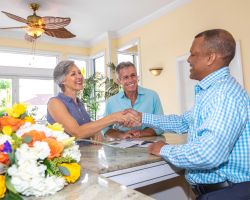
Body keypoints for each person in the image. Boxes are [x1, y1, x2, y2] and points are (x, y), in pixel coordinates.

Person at [124, 29, 250, 200]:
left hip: (226, 193)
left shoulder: (224, 95)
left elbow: (209, 154)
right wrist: (142, 117)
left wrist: (165, 149)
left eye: (193, 54)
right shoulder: (211, 92)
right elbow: (182, 122)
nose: (188, 59)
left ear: (210, 57)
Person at [47, 60, 136, 140]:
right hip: (68, 157)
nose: (79, 76)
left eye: (79, 73)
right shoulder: (55, 103)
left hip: (86, 155)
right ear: (62, 81)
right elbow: (77, 133)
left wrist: (95, 131)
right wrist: (114, 117)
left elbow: (87, 127)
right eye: (73, 74)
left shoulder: (79, 103)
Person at [103, 61, 164, 139]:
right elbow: (105, 129)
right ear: (119, 81)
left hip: (149, 145)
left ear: (137, 77)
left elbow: (161, 125)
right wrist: (122, 135)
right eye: (126, 77)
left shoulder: (152, 96)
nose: (130, 80)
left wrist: (140, 133)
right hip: (121, 147)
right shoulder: (112, 101)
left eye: (133, 75)